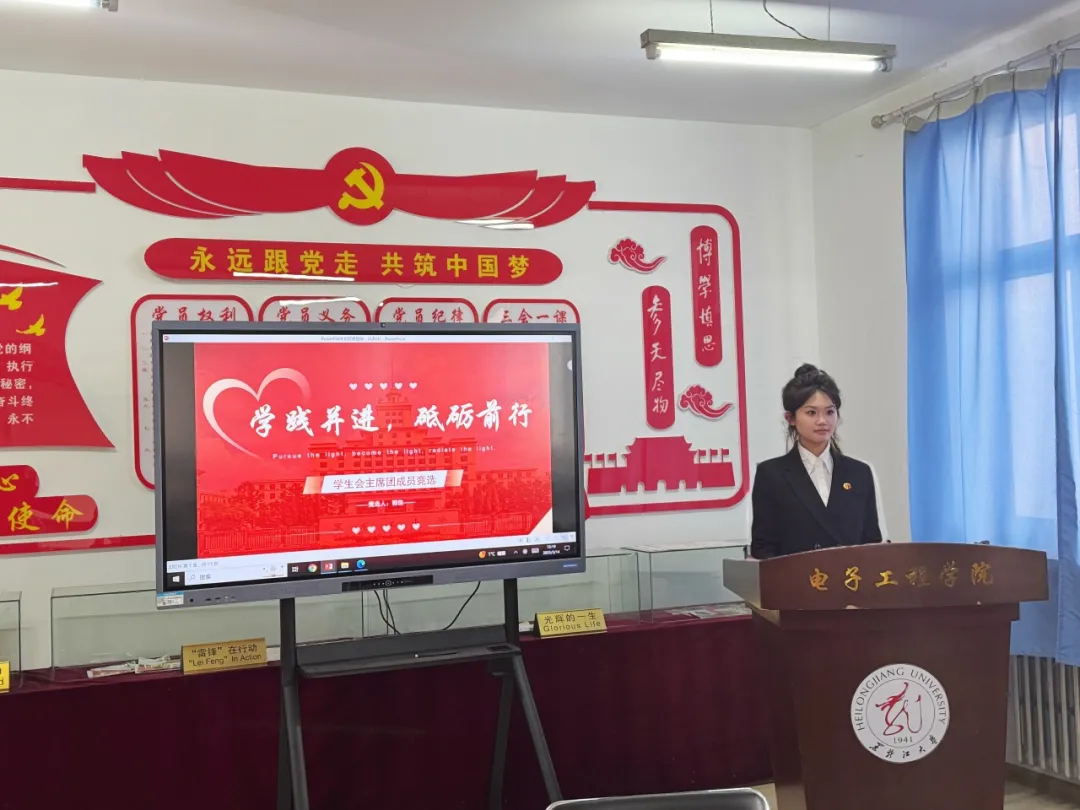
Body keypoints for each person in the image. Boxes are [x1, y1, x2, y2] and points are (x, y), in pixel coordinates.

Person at [750, 364, 882, 559]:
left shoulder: (859, 472)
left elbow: (872, 543)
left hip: (850, 576)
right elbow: (763, 548)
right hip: (798, 577)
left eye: (830, 412)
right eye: (811, 413)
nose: (822, 421)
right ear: (790, 418)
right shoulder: (771, 474)